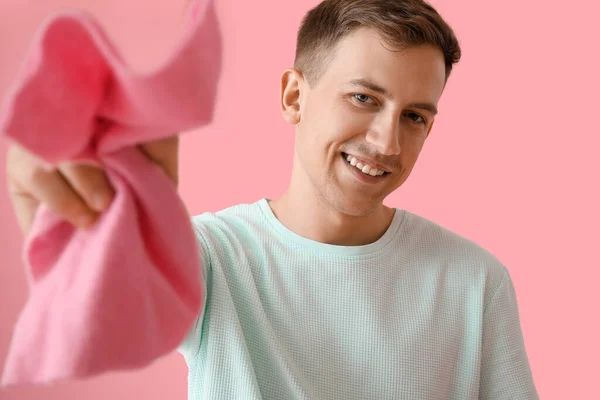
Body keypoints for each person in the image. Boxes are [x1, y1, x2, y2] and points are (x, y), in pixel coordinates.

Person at [5, 0, 539, 398]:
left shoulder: (475, 280)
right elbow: (97, 316)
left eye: (415, 116)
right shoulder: (210, 257)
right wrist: (77, 211)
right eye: (363, 98)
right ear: (293, 96)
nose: (386, 141)